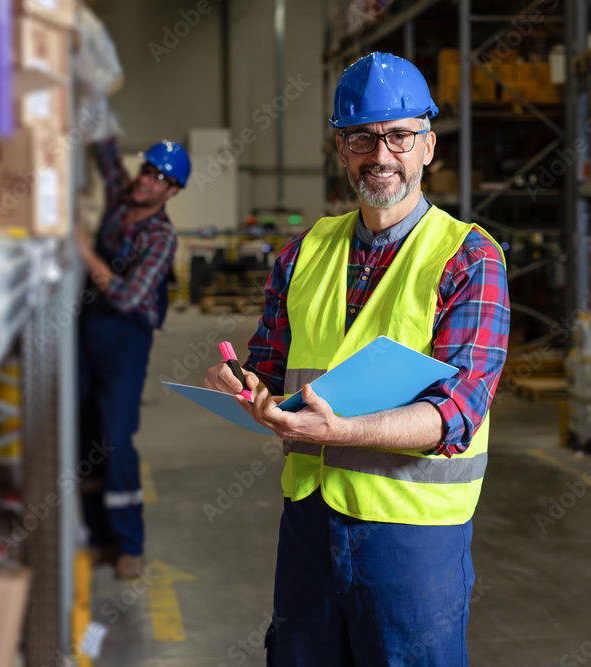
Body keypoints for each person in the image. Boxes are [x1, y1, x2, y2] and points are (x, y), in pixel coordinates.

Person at [204, 52, 510, 664]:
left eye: (399, 136)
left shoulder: (469, 260)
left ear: (427, 145)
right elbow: (266, 366)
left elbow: (456, 415)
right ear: (340, 149)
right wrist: (237, 383)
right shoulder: (302, 254)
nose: (381, 155)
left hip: (412, 538)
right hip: (310, 526)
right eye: (362, 138)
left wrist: (340, 430)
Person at [76, 137, 190, 581]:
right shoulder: (123, 199)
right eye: (146, 171)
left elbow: (126, 297)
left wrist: (84, 251)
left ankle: (129, 545)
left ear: (172, 191)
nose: (147, 181)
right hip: (89, 331)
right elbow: (104, 152)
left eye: (160, 178)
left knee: (116, 439)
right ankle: (98, 537)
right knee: (83, 436)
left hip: (125, 339)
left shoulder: (161, 237)